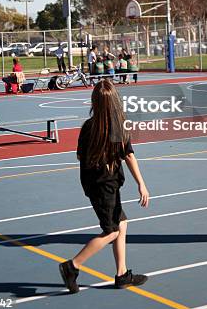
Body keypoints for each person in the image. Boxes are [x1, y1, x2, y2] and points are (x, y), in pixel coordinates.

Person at [59, 79, 149, 293]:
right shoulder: (116, 125)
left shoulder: (89, 126)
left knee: (122, 223)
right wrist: (141, 184)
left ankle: (122, 274)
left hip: (93, 184)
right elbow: (128, 155)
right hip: (105, 187)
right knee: (111, 231)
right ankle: (72, 266)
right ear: (115, 102)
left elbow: (80, 155)